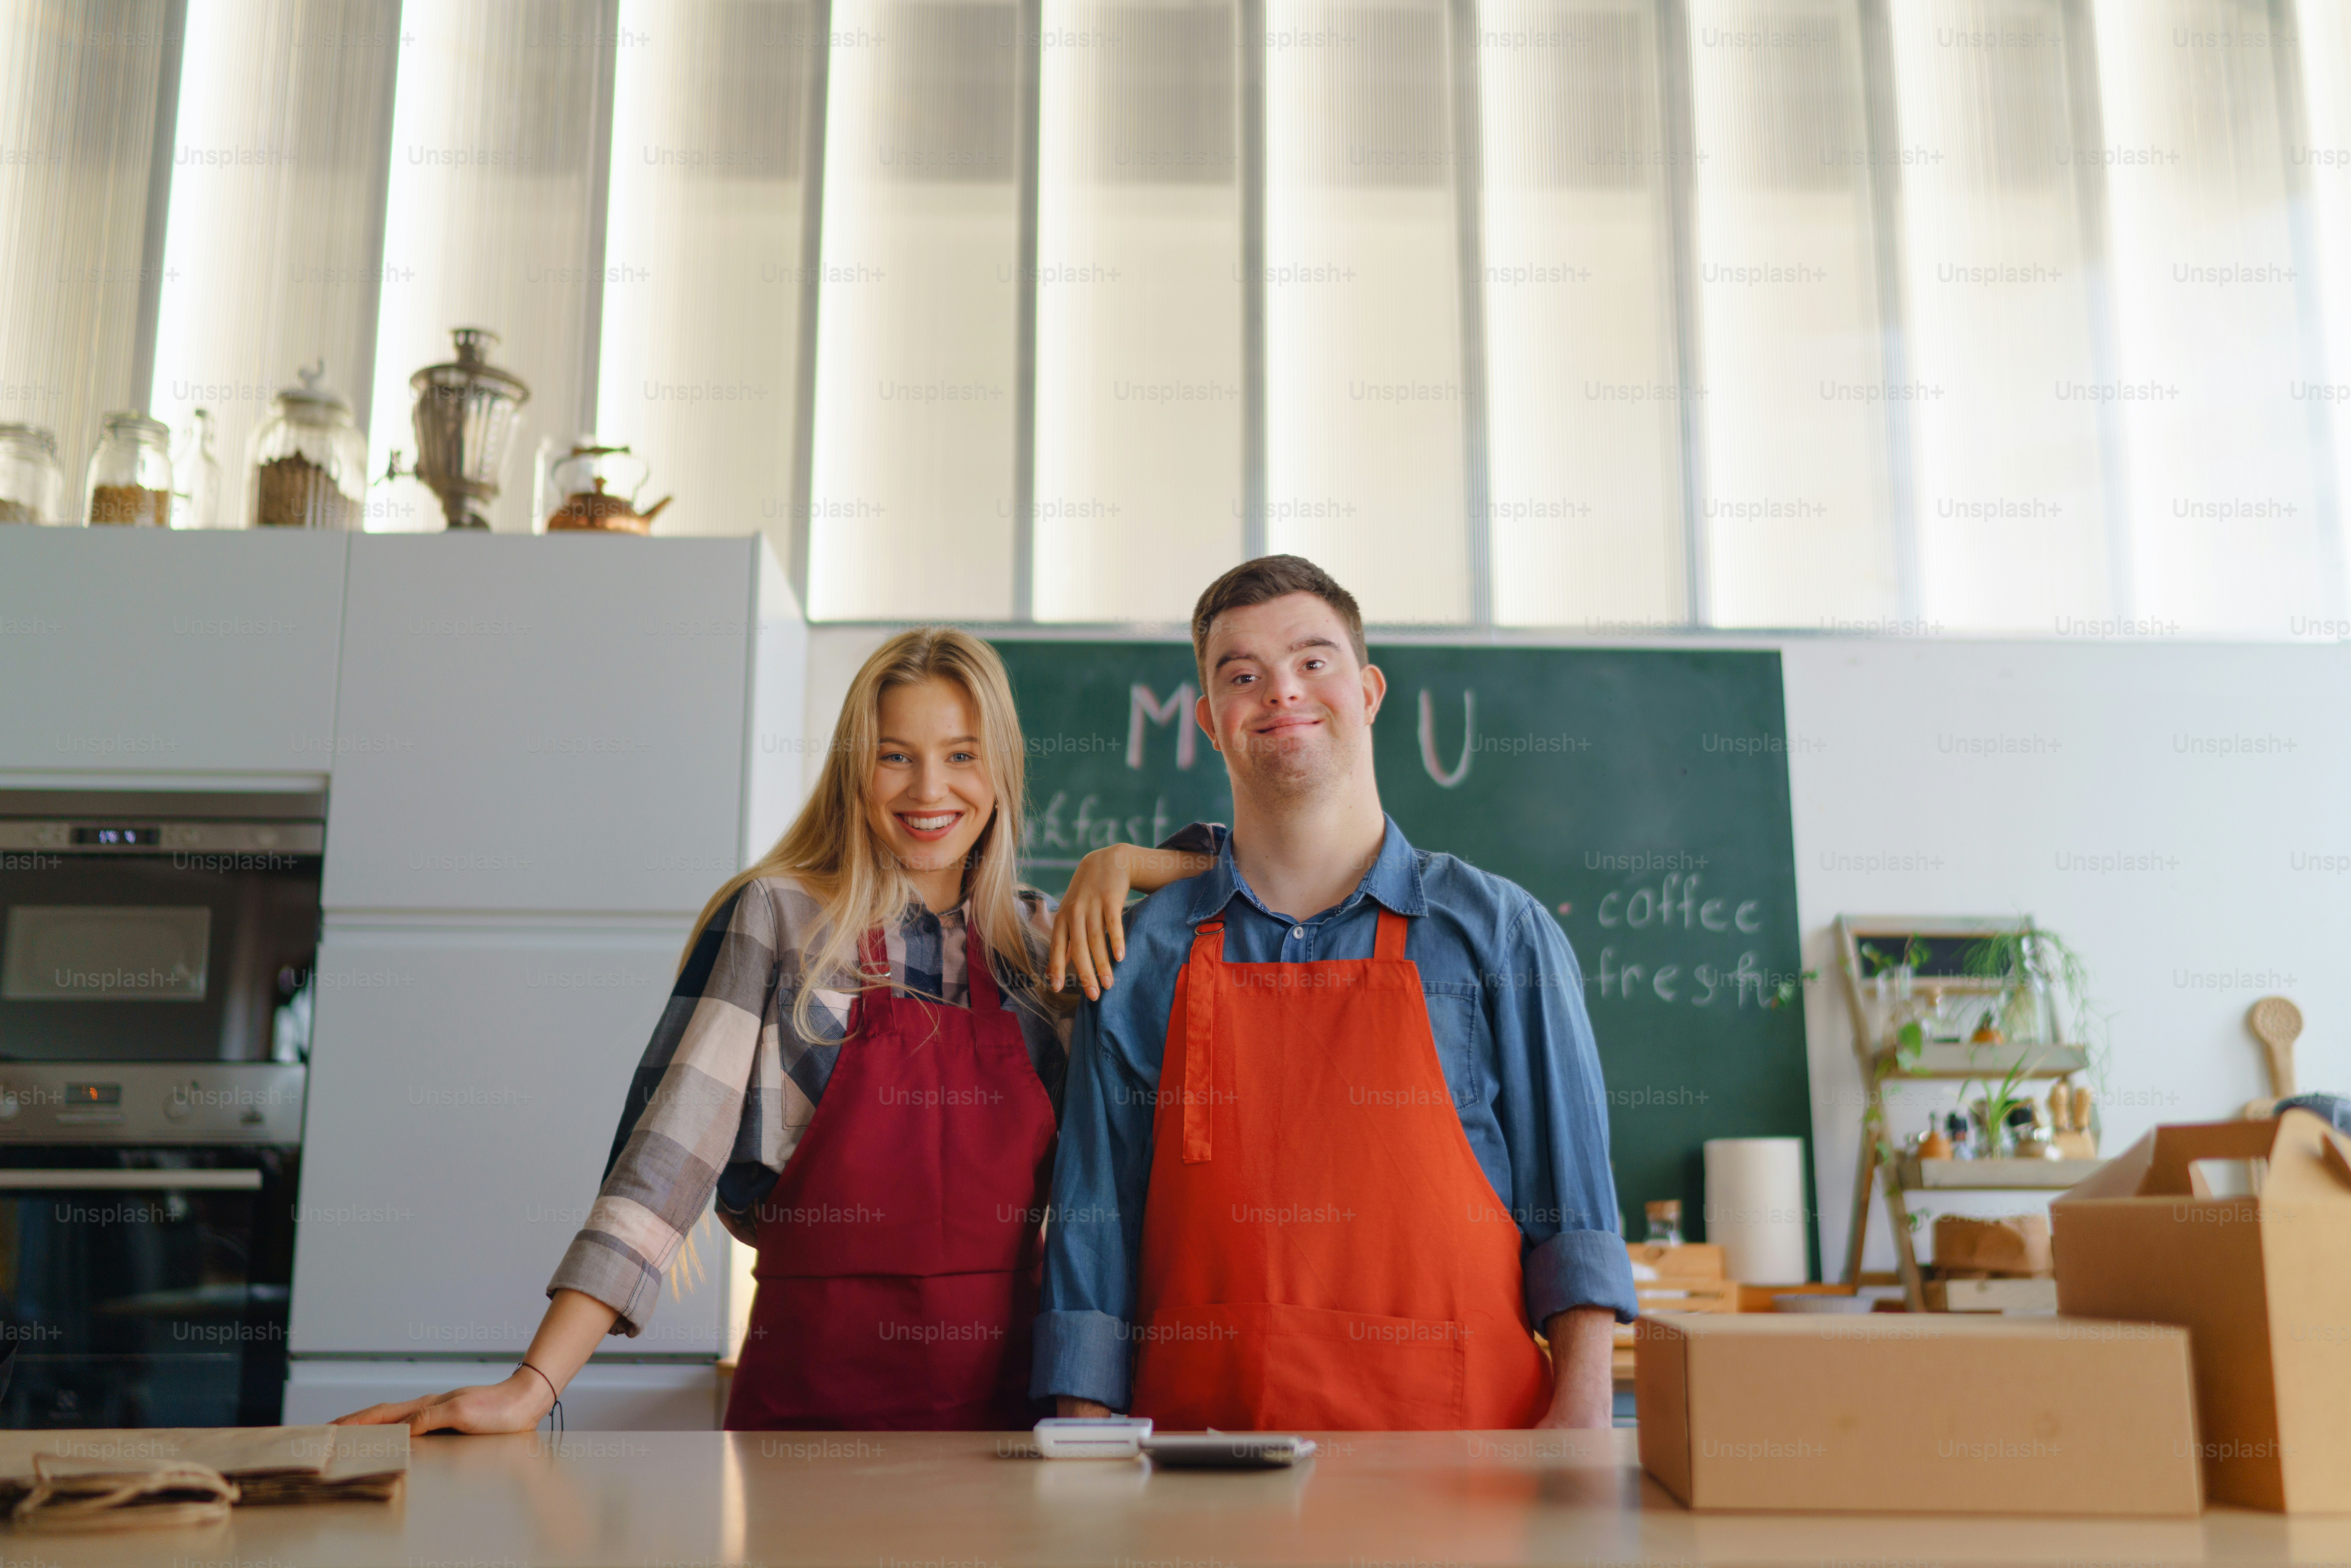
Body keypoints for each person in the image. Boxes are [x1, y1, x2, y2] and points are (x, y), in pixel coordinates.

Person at [336, 628, 1206, 1434]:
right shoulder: (783, 919)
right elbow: (665, 1161)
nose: (929, 789)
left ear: (1004, 772)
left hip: (1005, 1411)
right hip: (811, 1404)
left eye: (962, 757)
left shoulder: (1049, 948)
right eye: (894, 757)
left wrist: (1124, 864)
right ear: (854, 770)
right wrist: (534, 1386)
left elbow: (1264, 886)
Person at [1035, 556, 1639, 1431]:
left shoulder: (1499, 933)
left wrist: (1580, 1426)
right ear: (1211, 721)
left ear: (1368, 690)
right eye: (1243, 675)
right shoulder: (1138, 958)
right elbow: (1095, 1240)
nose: (1282, 692)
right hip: (1202, 1482)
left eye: (1313, 662)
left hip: (1466, 1481)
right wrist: (1085, 1446)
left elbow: (1574, 1211)